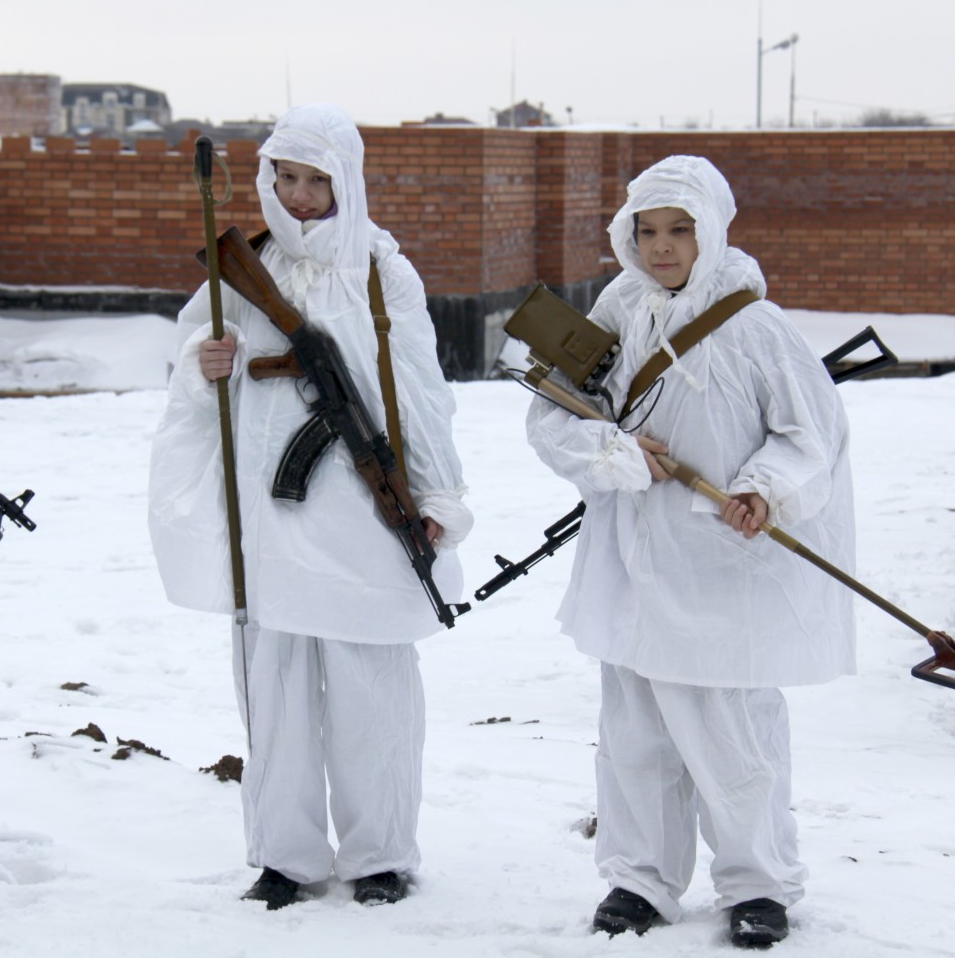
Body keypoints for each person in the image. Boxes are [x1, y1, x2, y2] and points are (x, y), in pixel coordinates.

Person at [524, 155, 854, 948]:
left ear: (712, 230)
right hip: (631, 565)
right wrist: (615, 451)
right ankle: (640, 879)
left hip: (719, 570)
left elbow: (810, 436)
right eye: (647, 231)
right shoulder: (614, 314)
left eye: (680, 229)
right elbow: (552, 417)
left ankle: (758, 884)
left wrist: (764, 489)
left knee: (732, 737)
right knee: (635, 737)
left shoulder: (756, 326)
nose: (662, 247)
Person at [148, 104, 472, 909]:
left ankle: (379, 855)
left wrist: (437, 492)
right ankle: (284, 857)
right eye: (285, 177)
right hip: (268, 518)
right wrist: (204, 365)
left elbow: (420, 390)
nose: (298, 196)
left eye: (316, 181)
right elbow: (188, 365)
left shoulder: (380, 270)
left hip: (363, 513)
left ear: (345, 183)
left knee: (372, 693)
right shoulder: (244, 267)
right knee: (276, 694)